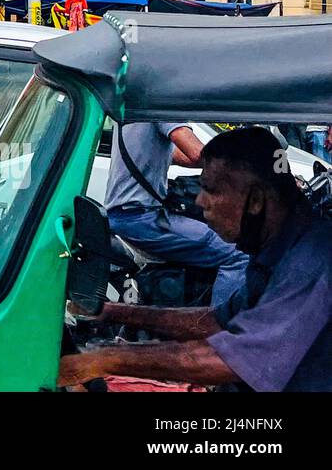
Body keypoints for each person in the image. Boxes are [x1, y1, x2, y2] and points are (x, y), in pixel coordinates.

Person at [59, 128, 332, 391]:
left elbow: (229, 360)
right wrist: (114, 312)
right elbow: (217, 322)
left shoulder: (310, 261)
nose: (200, 201)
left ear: (257, 200)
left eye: (210, 190)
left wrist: (103, 360)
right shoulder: (279, 248)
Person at [105, 120, 249, 309]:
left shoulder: (137, 106)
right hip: (141, 218)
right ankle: (217, 330)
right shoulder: (163, 106)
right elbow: (198, 153)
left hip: (124, 215)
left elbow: (182, 157)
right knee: (237, 253)